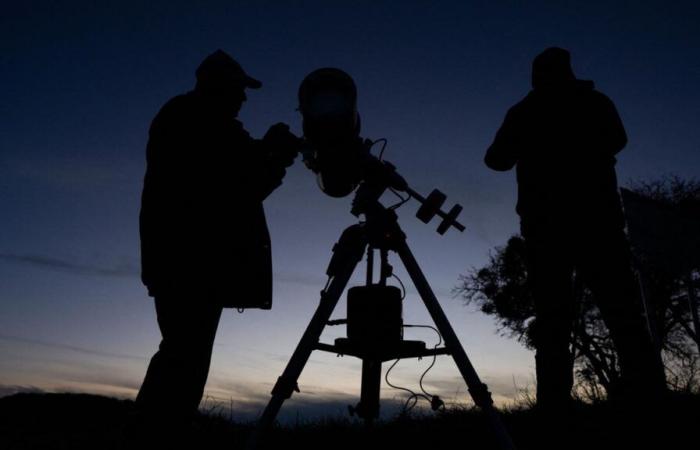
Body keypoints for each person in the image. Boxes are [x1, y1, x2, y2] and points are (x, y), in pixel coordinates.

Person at [484, 47, 666, 411]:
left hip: (552, 227)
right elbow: (618, 139)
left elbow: (496, 160)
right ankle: (646, 394)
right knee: (619, 310)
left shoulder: (525, 112)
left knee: (558, 317)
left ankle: (556, 403)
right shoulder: (591, 102)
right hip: (592, 222)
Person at [133, 50, 300, 436]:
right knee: (184, 357)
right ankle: (152, 434)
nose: (243, 99)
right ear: (218, 87)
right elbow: (239, 185)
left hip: (186, 262)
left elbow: (232, 168)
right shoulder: (195, 120)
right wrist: (276, 157)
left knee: (183, 355)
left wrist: (270, 150)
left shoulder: (195, 119)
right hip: (188, 263)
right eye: (239, 90)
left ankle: (158, 431)